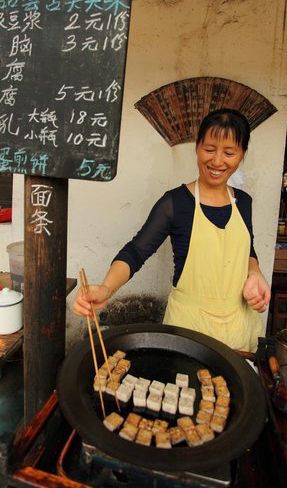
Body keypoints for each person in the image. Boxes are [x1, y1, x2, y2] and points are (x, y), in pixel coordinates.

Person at [73, 108, 270, 352]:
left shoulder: (244, 202)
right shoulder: (174, 203)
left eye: (229, 152)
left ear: (242, 154)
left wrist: (255, 272)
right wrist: (106, 288)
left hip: (240, 329)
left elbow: (247, 249)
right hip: (188, 331)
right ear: (197, 147)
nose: (217, 161)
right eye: (209, 149)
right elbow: (136, 251)